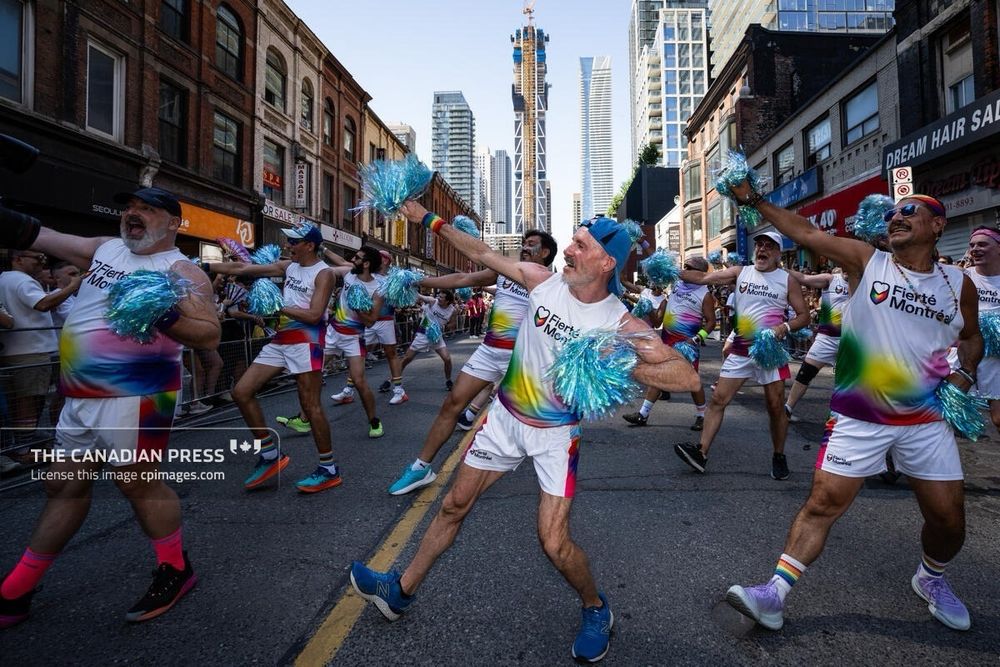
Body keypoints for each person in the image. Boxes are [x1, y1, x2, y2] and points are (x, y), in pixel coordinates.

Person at [350, 205, 700, 663]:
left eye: (581, 246)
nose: (569, 250)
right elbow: (479, 250)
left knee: (553, 542)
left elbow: (686, 377)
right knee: (454, 503)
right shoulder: (540, 279)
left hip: (555, 435)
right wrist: (427, 219)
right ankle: (400, 591)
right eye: (572, 240)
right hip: (504, 418)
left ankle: (596, 608)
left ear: (606, 263)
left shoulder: (620, 325)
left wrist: (617, 361)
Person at [722, 188, 980, 632]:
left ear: (938, 226)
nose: (896, 217)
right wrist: (756, 200)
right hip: (859, 416)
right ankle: (773, 594)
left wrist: (965, 376)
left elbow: (972, 337)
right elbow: (804, 232)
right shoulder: (868, 262)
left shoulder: (959, 284)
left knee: (949, 520)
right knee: (824, 502)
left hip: (926, 421)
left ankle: (931, 578)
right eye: (893, 213)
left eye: (909, 212)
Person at [0, 187, 219, 628]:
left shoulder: (181, 270)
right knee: (62, 487)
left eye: (147, 209)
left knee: (137, 485)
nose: (132, 214)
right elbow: (41, 234)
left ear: (174, 223)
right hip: (78, 396)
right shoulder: (105, 249)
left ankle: (176, 569)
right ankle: (16, 590)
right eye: (130, 207)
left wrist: (160, 312)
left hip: (139, 395)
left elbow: (210, 335)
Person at [385, 229, 557, 495]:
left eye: (531, 244)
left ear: (545, 253)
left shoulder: (550, 283)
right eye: (523, 243)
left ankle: (551, 480)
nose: (524, 247)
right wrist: (419, 281)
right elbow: (462, 278)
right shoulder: (506, 270)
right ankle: (421, 467)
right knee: (452, 404)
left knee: (532, 422)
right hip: (489, 351)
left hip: (523, 360)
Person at [210, 223, 347, 492]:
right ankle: (270, 454)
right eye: (289, 241)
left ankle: (328, 469)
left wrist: (277, 305)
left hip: (307, 341)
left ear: (309, 245)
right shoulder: (288, 266)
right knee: (241, 391)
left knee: (311, 406)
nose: (288, 245)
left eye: (294, 242)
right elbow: (242, 269)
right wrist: (202, 268)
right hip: (283, 339)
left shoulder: (324, 274)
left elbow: (315, 314)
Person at [673, 232, 810, 480]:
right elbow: (703, 277)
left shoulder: (787, 279)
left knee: (776, 406)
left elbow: (803, 315)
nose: (762, 249)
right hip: (740, 349)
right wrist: (673, 273)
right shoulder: (740, 272)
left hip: (769, 352)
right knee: (718, 400)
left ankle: (779, 456)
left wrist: (784, 328)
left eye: (769, 246)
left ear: (778, 254)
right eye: (759, 244)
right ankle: (701, 452)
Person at [623, 256, 716, 430]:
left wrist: (696, 338)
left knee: (692, 380)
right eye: (684, 266)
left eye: (689, 267)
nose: (684, 269)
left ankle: (702, 416)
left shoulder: (705, 295)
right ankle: (643, 414)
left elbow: (711, 322)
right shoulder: (676, 285)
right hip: (667, 339)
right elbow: (655, 260)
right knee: (658, 375)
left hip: (686, 345)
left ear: (700, 273)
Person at [0, 250, 78, 459]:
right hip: (31, 351)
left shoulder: (5, 278)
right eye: (37, 258)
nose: (42, 263)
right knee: (29, 402)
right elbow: (43, 304)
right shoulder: (22, 280)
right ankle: (24, 450)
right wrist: (71, 287)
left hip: (17, 350)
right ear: (18, 259)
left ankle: (24, 444)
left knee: (24, 402)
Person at [322, 247, 386, 436]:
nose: (353, 259)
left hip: (354, 338)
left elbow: (371, 320)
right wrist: (324, 248)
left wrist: (358, 308)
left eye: (357, 258)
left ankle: (374, 422)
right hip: (332, 333)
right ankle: (303, 418)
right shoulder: (349, 274)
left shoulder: (377, 289)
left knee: (358, 381)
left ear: (366, 264)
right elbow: (336, 263)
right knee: (314, 374)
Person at [782, 268, 850, 425]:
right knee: (805, 373)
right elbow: (803, 277)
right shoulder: (831, 279)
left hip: (850, 340)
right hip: (826, 338)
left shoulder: (863, 282)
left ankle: (838, 416)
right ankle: (787, 408)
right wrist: (780, 268)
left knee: (845, 381)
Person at [964, 226, 1000, 430]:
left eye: (982, 244)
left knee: (998, 418)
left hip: (995, 357)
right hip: (967, 350)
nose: (975, 249)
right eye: (972, 245)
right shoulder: (962, 276)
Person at [396, 290, 458, 390]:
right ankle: (391, 380)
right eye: (439, 296)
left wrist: (447, 326)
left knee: (447, 359)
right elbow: (419, 295)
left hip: (436, 336)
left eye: (441, 297)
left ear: (448, 301)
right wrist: (408, 287)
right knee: (407, 358)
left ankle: (448, 380)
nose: (439, 298)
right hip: (423, 333)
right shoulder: (433, 301)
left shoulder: (453, 310)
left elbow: (453, 324)